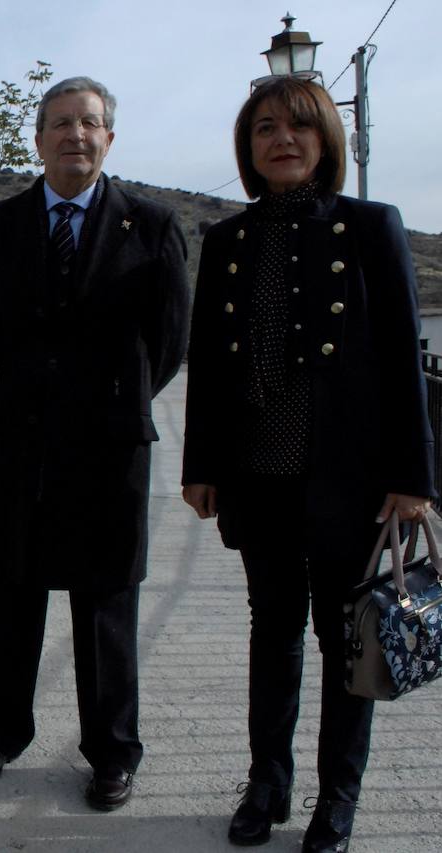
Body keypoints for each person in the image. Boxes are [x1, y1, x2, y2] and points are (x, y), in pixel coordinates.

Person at [181, 76, 433, 852]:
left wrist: (413, 477)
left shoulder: (370, 226)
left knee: (344, 640)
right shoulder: (226, 241)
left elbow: (402, 355)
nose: (281, 140)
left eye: (297, 127)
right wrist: (201, 464)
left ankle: (338, 800)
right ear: (248, 148)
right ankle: (267, 785)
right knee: (273, 632)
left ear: (326, 139)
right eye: (264, 129)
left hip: (349, 478)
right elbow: (209, 365)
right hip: (258, 474)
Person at [0, 76, 190, 810]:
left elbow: (170, 340)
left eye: (89, 123)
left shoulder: (150, 226)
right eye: (60, 123)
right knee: (13, 595)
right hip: (17, 443)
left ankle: (112, 750)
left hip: (108, 448)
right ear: (39, 138)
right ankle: (0, 730)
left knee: (104, 608)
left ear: (108, 138)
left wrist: (111, 400)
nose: (74, 135)